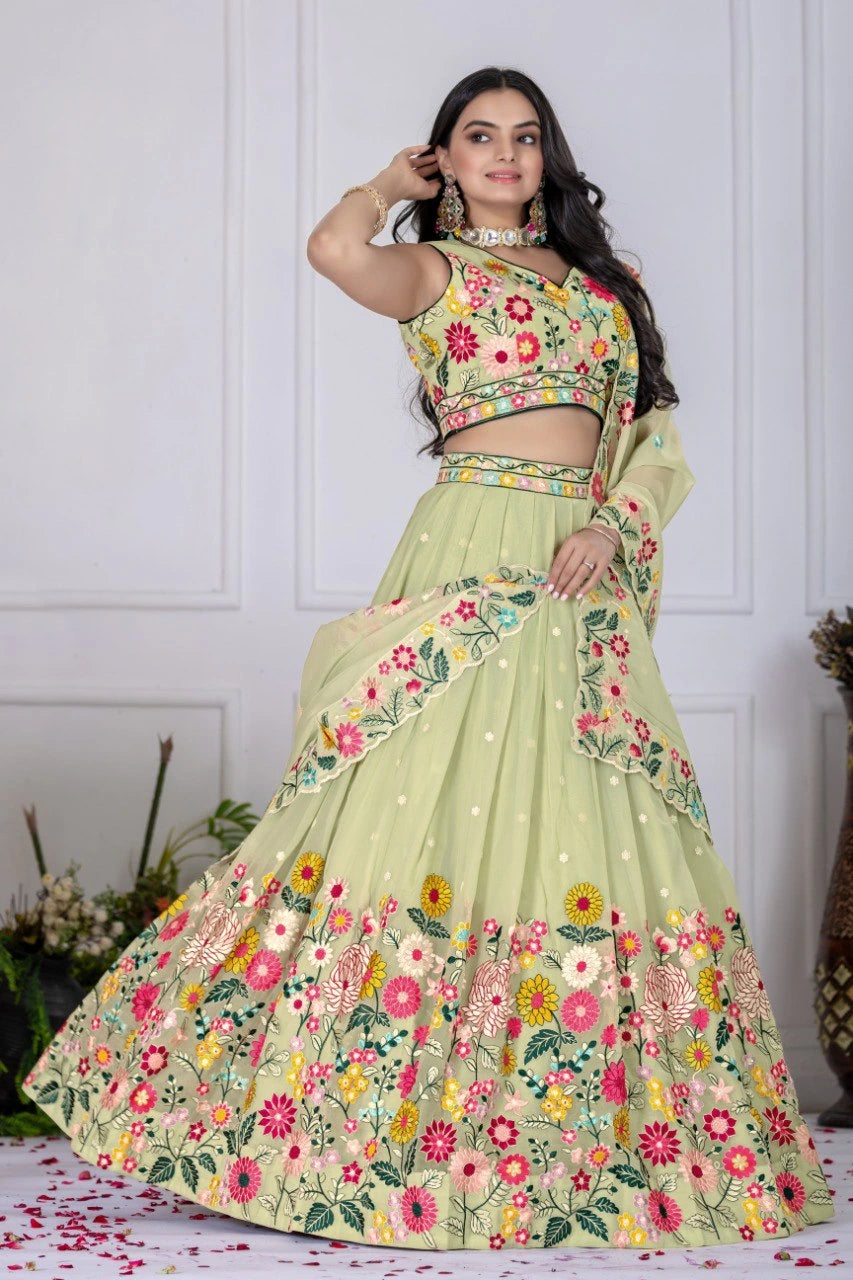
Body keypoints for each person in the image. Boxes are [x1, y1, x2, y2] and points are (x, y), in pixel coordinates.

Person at [23, 67, 834, 1252]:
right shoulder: (435, 273)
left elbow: (655, 433)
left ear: (548, 155)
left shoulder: (608, 286)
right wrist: (378, 185)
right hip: (470, 554)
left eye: (522, 136)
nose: (503, 154)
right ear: (444, 157)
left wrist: (616, 522)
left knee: (579, 815)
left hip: (579, 568)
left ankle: (566, 1142)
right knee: (410, 812)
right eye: (476, 136)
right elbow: (332, 248)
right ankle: (332, 1130)